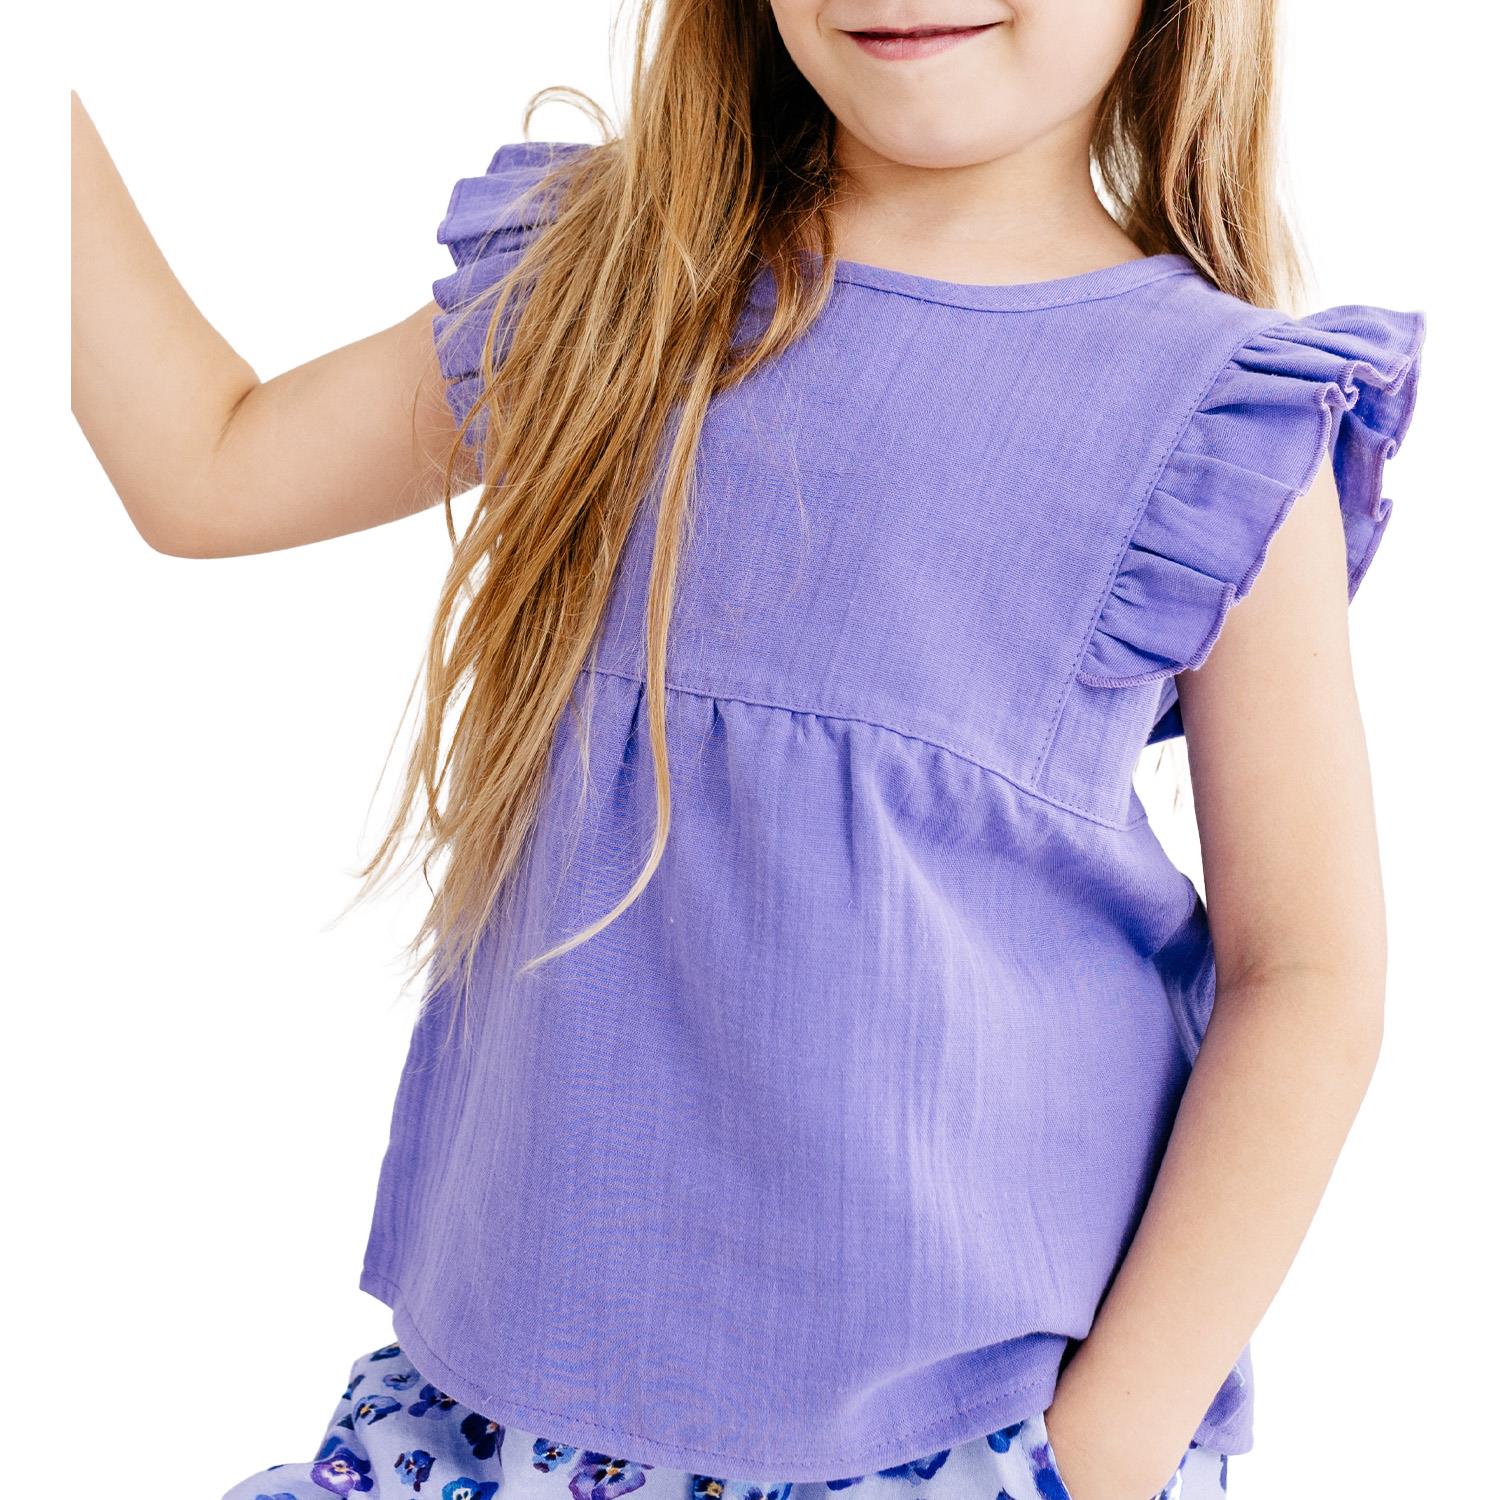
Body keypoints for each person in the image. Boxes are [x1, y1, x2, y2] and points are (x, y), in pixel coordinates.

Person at [69, 3, 1425, 1499]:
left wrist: (1098, 1454)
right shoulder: (618, 285)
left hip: (952, 1439)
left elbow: (1306, 974)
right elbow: (207, 467)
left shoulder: (1214, 410)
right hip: (506, 1407)